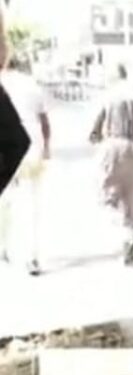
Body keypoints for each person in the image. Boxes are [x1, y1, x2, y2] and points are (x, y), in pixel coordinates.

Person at [89, 64, 133, 266]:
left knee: (107, 197)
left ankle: (124, 234)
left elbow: (94, 129)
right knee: (131, 198)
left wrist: (96, 137)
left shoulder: (110, 95)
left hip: (114, 147)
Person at [0, 55, 52, 276]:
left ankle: (4, 248)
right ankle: (32, 257)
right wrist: (47, 147)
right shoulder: (31, 84)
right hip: (32, 150)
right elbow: (45, 122)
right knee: (31, 204)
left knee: (5, 203)